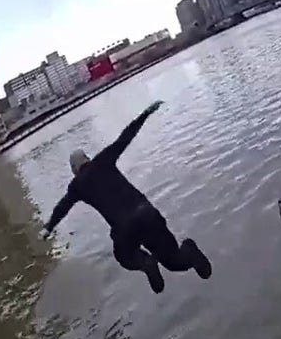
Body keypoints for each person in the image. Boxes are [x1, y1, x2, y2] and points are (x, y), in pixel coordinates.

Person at [42, 100, 211, 293]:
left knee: (123, 255)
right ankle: (190, 252)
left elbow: (62, 207)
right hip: (148, 213)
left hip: (126, 227)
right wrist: (145, 114)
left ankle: (145, 262)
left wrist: (49, 227)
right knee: (174, 262)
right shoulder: (104, 160)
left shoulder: (77, 186)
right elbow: (125, 137)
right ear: (87, 158)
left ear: (74, 170)